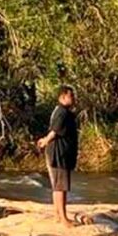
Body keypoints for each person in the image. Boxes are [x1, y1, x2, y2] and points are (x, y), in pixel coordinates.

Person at [37, 85, 80, 226]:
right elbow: (55, 131)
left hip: (57, 152)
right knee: (61, 187)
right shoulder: (62, 112)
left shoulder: (59, 110)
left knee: (57, 186)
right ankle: (63, 219)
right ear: (62, 97)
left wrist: (45, 141)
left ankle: (58, 215)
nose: (73, 99)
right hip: (59, 153)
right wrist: (45, 141)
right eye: (71, 96)